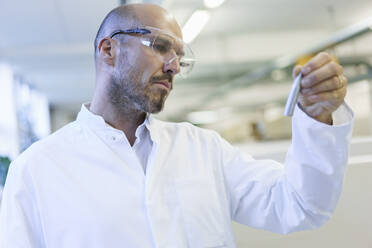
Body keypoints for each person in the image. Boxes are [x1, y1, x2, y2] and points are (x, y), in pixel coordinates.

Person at [0, 3, 353, 248]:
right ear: (108, 50)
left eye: (180, 57)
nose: (174, 66)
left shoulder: (204, 150)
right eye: (160, 46)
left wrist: (318, 116)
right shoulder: (37, 169)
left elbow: (301, 206)